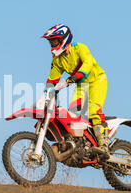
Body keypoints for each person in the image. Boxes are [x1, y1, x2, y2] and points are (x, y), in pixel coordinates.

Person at [42, 24, 110, 155]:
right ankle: (83, 145)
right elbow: (52, 80)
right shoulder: (57, 60)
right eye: (51, 42)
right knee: (73, 114)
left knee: (93, 110)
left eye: (55, 41)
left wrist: (71, 79)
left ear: (64, 40)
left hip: (97, 80)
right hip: (81, 85)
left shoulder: (80, 48)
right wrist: (46, 94)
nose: (52, 45)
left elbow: (87, 64)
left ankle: (104, 145)